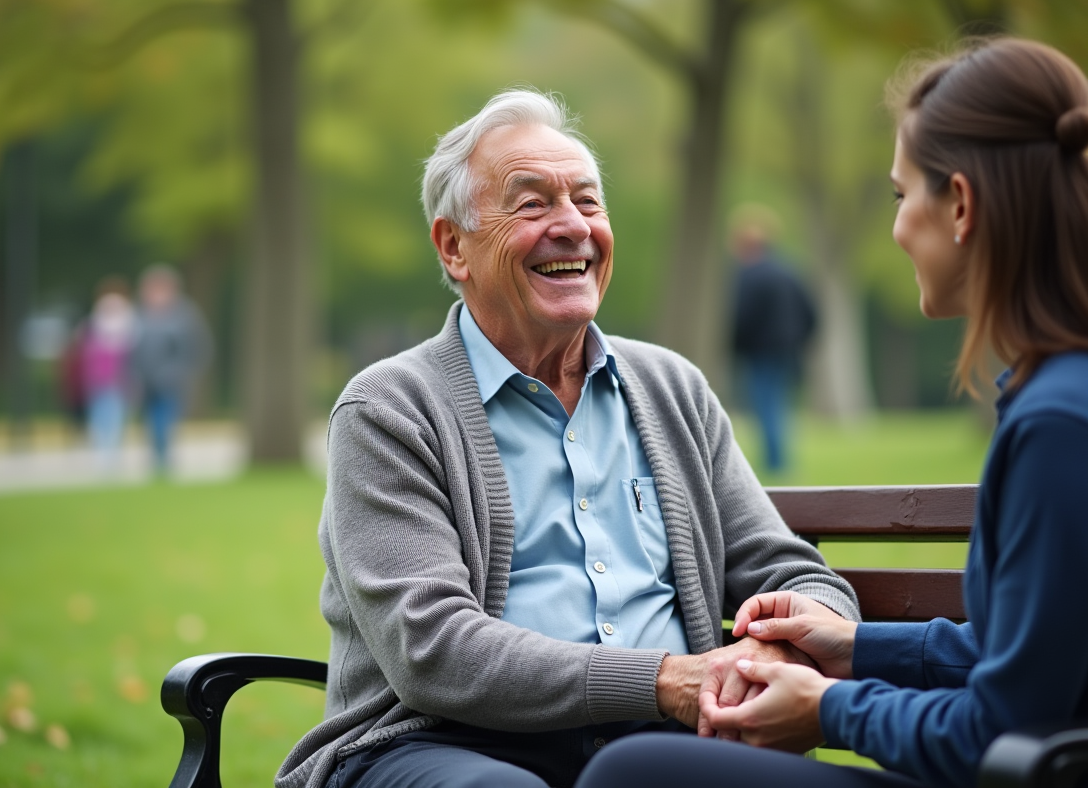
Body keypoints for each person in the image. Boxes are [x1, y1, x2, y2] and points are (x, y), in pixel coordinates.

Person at [275, 89, 859, 788]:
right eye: (532, 204)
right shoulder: (389, 409)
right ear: (453, 247)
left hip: (665, 742)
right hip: (439, 746)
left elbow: (793, 572)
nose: (572, 227)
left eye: (587, 202)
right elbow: (432, 650)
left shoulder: (671, 388)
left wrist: (787, 653)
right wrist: (662, 678)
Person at [576, 37, 1088, 788]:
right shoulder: (1055, 397)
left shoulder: (1058, 425)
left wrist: (829, 708)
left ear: (962, 206)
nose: (896, 227)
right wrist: (854, 645)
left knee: (634, 773)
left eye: (899, 194)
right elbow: (1032, 664)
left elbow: (1002, 732)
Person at [729, 206, 816, 473]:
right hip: (788, 350)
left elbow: (743, 317)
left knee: (765, 404)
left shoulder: (749, 275)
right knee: (778, 403)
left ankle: (775, 463)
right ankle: (779, 459)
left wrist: (735, 346)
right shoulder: (789, 271)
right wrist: (801, 339)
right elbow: (811, 312)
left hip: (759, 351)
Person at [130, 265, 210, 475]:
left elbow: (197, 346)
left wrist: (183, 371)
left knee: (164, 420)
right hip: (146, 380)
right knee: (151, 421)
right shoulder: (139, 314)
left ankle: (162, 460)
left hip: (171, 380)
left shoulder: (184, 314)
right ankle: (158, 458)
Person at [80, 279, 136, 469]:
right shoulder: (95, 323)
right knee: (101, 416)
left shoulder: (128, 324)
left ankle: (110, 453)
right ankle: (104, 452)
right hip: (99, 380)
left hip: (118, 381)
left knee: (114, 416)